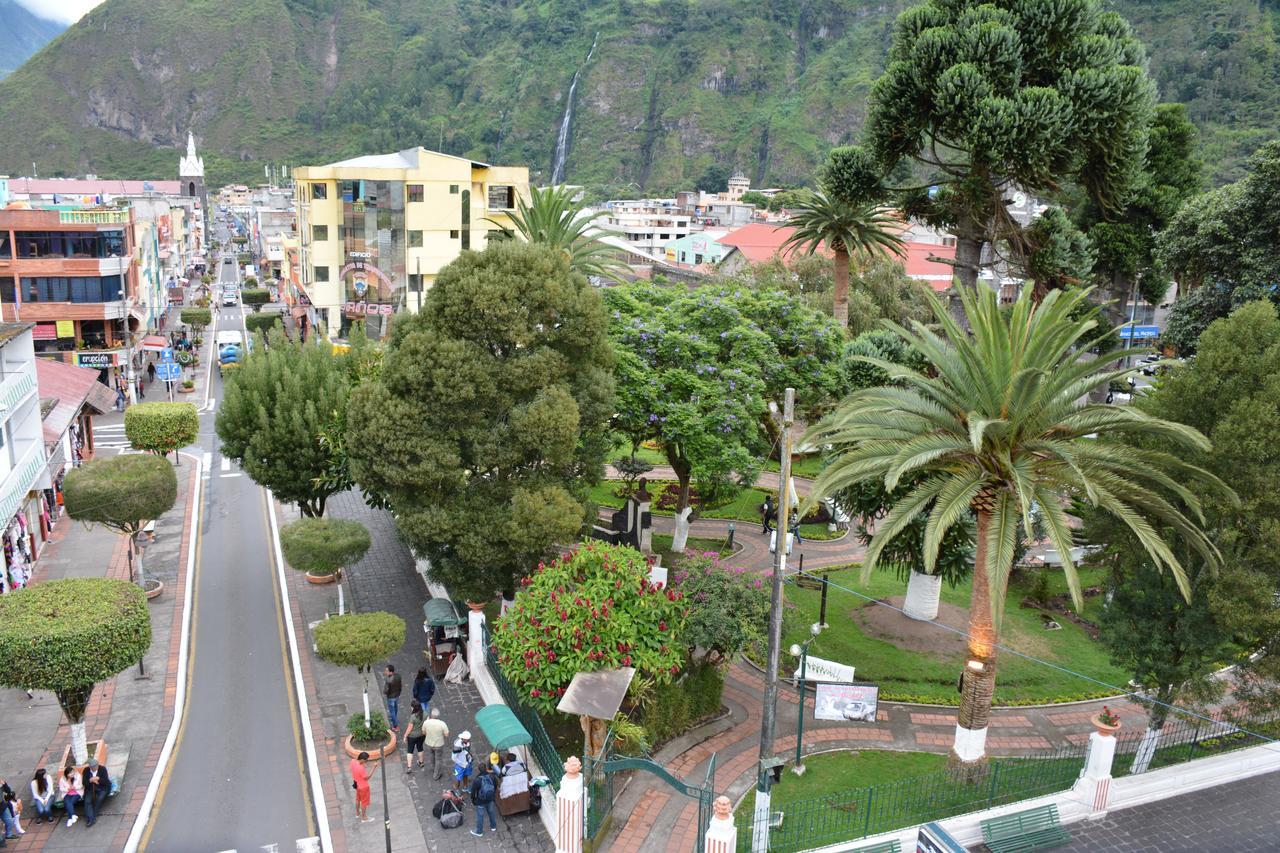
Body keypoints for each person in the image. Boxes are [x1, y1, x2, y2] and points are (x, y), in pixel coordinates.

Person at [468, 763, 499, 837]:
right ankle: (493, 826)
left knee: (480, 815)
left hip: (480, 800)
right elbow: (495, 785)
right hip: (490, 798)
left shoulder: (477, 779)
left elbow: (473, 792)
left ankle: (479, 831)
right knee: (491, 812)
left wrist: (473, 800)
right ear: (486, 768)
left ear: (479, 770)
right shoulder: (492, 776)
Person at [421, 708, 450, 780]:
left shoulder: (426, 722)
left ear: (431, 715)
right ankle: (436, 775)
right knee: (438, 759)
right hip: (438, 744)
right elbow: (446, 734)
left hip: (429, 743)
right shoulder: (442, 724)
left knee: (431, 756)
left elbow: (423, 732)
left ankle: (434, 769)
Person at [82, 756, 110, 827]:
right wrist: (90, 780)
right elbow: (84, 783)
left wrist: (98, 779)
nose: (95, 768)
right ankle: (90, 818)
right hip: (90, 788)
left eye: (96, 766)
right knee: (87, 801)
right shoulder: (86, 770)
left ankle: (92, 817)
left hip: (102, 787)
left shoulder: (102, 769)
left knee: (99, 799)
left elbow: (105, 781)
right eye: (93, 767)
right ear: (90, 767)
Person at [404, 700, 426, 773]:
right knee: (420, 748)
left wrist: (405, 736)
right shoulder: (425, 714)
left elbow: (409, 728)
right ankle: (421, 762)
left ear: (413, 708)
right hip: (421, 735)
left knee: (410, 751)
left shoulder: (413, 717)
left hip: (412, 736)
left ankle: (409, 767)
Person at [350, 751, 372, 823]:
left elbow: (352, 769)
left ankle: (357, 814)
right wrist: (374, 768)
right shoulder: (361, 768)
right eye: (366, 760)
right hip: (364, 787)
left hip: (357, 784)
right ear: (362, 759)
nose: (366, 761)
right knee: (364, 803)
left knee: (357, 799)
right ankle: (364, 817)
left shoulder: (353, 761)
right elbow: (367, 778)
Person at [383, 664, 403, 732]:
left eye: (386, 671)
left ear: (391, 672)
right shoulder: (398, 676)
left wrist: (385, 692)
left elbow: (386, 690)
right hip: (397, 695)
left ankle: (395, 726)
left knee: (392, 711)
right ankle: (394, 718)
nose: (385, 672)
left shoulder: (388, 680)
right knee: (395, 707)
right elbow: (400, 685)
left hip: (391, 696)